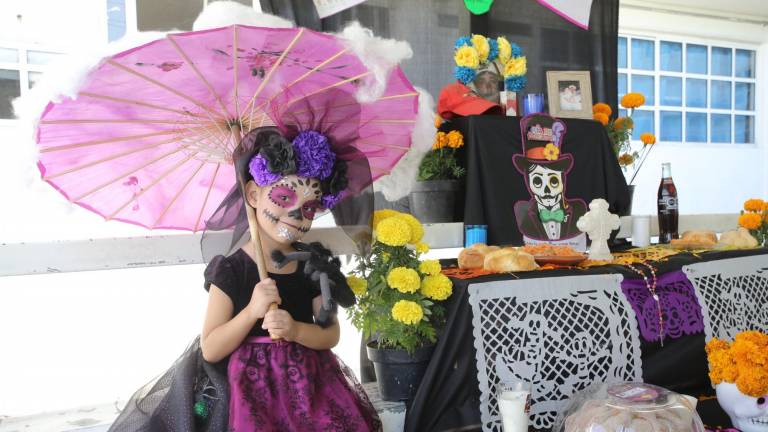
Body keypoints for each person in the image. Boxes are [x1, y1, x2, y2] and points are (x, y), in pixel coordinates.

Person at [110, 113, 382, 431]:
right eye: (283, 198)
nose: (297, 214)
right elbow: (211, 348)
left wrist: (295, 331)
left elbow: (330, 335)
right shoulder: (232, 271)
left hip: (310, 391)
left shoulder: (313, 266)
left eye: (310, 207)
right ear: (253, 195)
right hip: (248, 399)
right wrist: (251, 311)